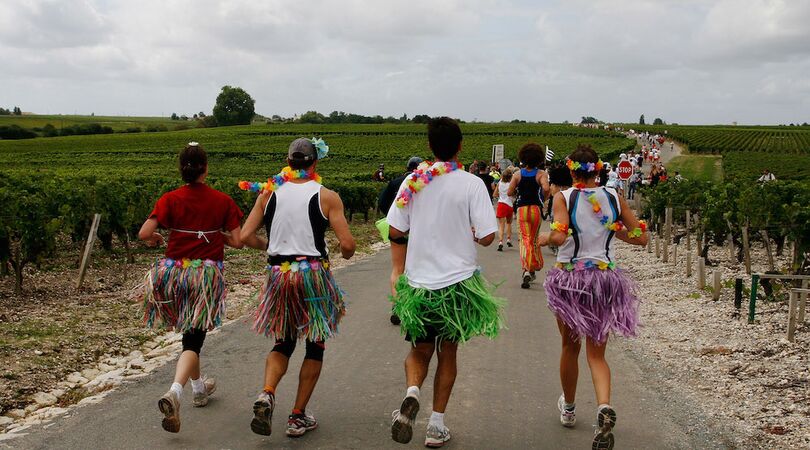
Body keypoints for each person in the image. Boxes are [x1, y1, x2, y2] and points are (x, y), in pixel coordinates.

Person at [387, 117, 503, 448]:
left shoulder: (413, 181)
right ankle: (436, 425)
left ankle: (411, 393)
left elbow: (396, 229)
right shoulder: (472, 184)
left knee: (419, 349)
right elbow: (488, 237)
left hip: (420, 284)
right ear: (460, 146)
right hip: (457, 285)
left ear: (430, 147)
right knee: (448, 351)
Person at [239, 137, 356, 438]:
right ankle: (296, 416)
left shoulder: (268, 194)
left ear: (288, 161)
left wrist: (269, 247)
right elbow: (347, 245)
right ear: (315, 162)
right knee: (315, 344)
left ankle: (267, 392)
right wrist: (345, 252)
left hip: (279, 274)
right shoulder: (327, 196)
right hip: (313, 275)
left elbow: (243, 236)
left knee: (284, 342)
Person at [538, 144, 648, 450]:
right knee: (597, 354)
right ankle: (603, 407)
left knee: (569, 347)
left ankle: (570, 409)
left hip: (571, 281)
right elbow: (642, 237)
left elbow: (560, 236)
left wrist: (545, 238)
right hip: (604, 280)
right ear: (598, 170)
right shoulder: (615, 197)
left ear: (572, 171)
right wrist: (617, 233)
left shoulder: (564, 197)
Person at [138, 142, 244, 433]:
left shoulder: (170, 199)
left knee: (191, 334)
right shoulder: (222, 201)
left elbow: (145, 232)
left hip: (173, 276)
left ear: (181, 169)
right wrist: (215, 235)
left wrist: (156, 240)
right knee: (193, 341)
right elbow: (237, 241)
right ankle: (175, 391)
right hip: (203, 278)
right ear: (206, 169)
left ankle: (199, 389)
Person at [378, 156, 424, 326]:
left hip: (397, 229)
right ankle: (416, 305)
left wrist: (392, 215)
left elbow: (382, 202)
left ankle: (398, 306)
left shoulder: (396, 182)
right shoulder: (425, 181)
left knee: (398, 268)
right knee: (417, 266)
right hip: (417, 229)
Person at [508, 143, 550, 289]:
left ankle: (527, 268)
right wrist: (543, 199)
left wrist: (517, 194)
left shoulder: (517, 174)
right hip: (535, 209)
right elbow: (546, 188)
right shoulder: (541, 174)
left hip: (522, 209)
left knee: (524, 239)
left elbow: (509, 192)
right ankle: (533, 266)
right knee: (533, 238)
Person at [493, 167, 516, 251]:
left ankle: (500, 242)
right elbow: (513, 195)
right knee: (509, 223)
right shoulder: (511, 184)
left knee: (501, 225)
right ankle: (509, 239)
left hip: (501, 204)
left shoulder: (499, 183)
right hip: (509, 204)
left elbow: (494, 194)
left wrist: (500, 195)